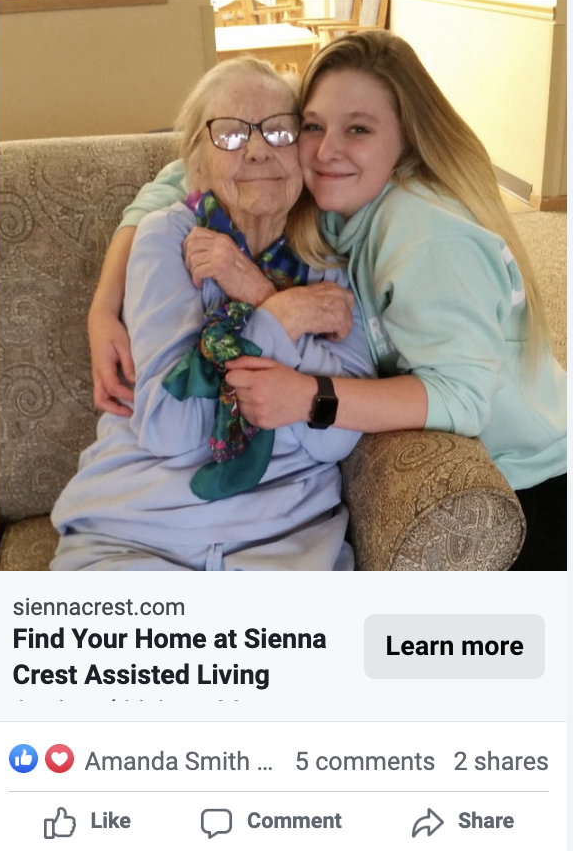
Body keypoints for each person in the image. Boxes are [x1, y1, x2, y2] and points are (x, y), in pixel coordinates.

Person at [91, 32, 566, 571]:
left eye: (358, 129)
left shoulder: (426, 236)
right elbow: (183, 173)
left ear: (406, 139)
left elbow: (461, 400)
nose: (325, 150)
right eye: (312, 126)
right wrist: (104, 308)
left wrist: (311, 395)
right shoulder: (335, 195)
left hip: (525, 477)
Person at [51, 57, 374, 572]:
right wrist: (281, 319)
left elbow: (336, 433)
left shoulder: (327, 261)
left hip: (285, 540)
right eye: (229, 135)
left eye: (279, 131)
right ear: (196, 162)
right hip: (136, 531)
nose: (257, 149)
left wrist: (257, 294)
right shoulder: (167, 238)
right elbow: (170, 428)